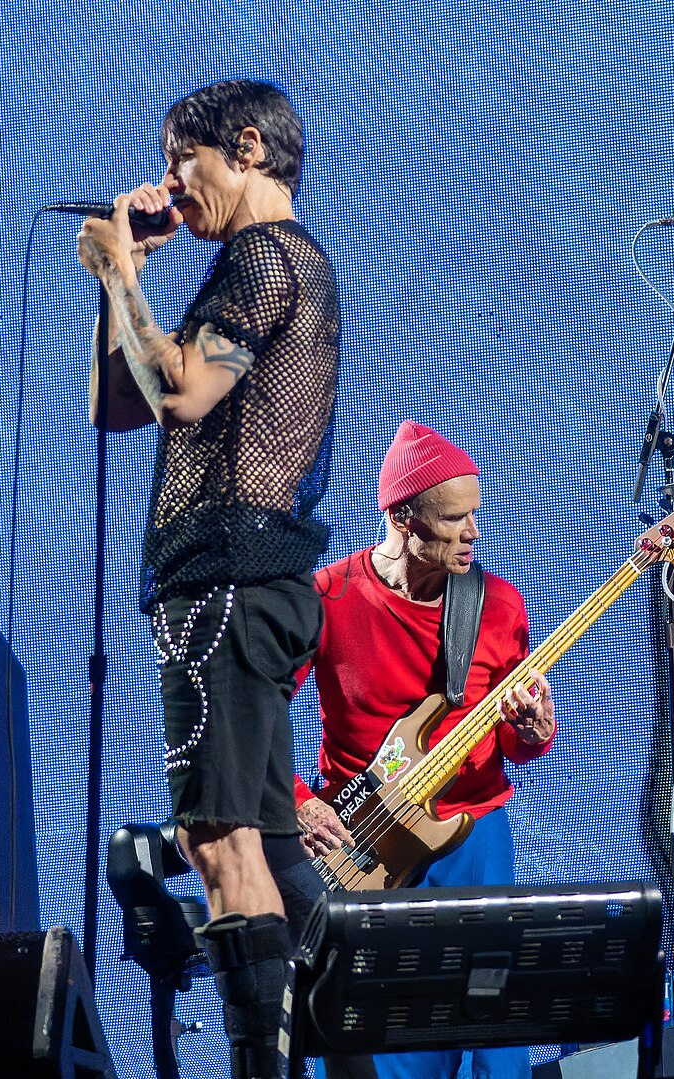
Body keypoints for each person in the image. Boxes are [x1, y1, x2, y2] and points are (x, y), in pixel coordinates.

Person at [78, 79, 337, 1079]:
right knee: (267, 849)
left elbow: (182, 391)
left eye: (182, 159)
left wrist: (122, 273)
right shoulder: (265, 263)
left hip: (226, 582)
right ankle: (351, 1049)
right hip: (244, 582)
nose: (172, 184)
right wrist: (127, 278)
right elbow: (120, 404)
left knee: (218, 841)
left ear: (247, 146)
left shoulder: (266, 256)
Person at [294, 420, 555, 1079]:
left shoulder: (497, 605)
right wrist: (297, 802)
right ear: (403, 517)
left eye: (476, 515)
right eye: (455, 518)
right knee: (390, 1035)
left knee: (493, 1029)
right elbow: (256, 715)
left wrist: (533, 732)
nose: (474, 532)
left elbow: (513, 739)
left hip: (474, 831)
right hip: (364, 838)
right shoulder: (327, 597)